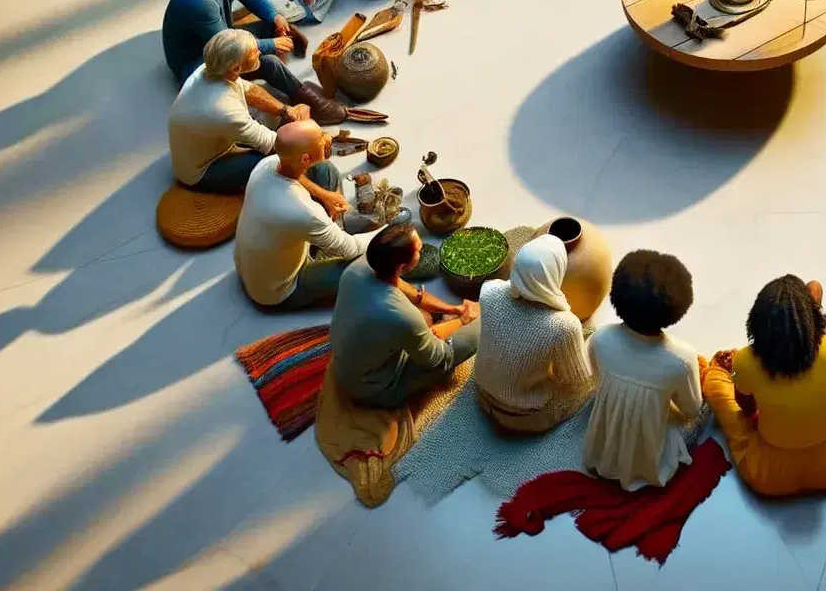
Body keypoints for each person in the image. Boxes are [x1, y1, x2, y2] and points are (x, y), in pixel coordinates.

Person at [160, 0, 345, 122]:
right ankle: (314, 105)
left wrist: (275, 16)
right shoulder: (199, 1)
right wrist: (271, 45)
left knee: (269, 24)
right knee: (268, 62)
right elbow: (230, 46)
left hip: (222, 35)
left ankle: (279, 36)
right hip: (196, 61)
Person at [702, 275, 826, 497]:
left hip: (769, 476)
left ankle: (716, 370)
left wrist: (734, 373)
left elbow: (746, 409)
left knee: (715, 381)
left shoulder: (745, 360)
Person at [583, 250, 706, 490]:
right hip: (649, 450)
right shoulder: (681, 358)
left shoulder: (600, 338)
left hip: (600, 446)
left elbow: (597, 379)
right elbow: (691, 409)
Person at [329, 224, 482, 408]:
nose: (422, 249)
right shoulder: (400, 314)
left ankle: (430, 331)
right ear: (401, 267)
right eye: (418, 250)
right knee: (478, 327)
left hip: (350, 363)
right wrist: (464, 320)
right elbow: (436, 359)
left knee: (422, 318)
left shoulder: (359, 267)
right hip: (373, 388)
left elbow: (415, 295)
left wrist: (454, 310)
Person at [234, 120, 366, 310]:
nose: (327, 138)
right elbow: (352, 248)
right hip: (277, 290)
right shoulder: (302, 210)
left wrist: (324, 195)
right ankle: (329, 239)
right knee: (366, 263)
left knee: (324, 170)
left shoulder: (266, 164)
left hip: (254, 267)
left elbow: (297, 175)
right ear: (305, 158)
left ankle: (327, 235)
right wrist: (389, 230)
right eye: (322, 138)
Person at [472, 234, 596, 433]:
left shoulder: (489, 290)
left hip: (481, 391)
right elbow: (577, 380)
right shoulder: (563, 326)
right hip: (522, 417)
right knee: (588, 384)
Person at [168, 30, 310, 193]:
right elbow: (276, 147)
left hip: (199, 145)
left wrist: (286, 110)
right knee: (274, 160)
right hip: (202, 171)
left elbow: (250, 90)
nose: (259, 51)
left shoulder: (209, 68)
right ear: (236, 68)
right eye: (253, 52)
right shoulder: (224, 110)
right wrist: (305, 135)